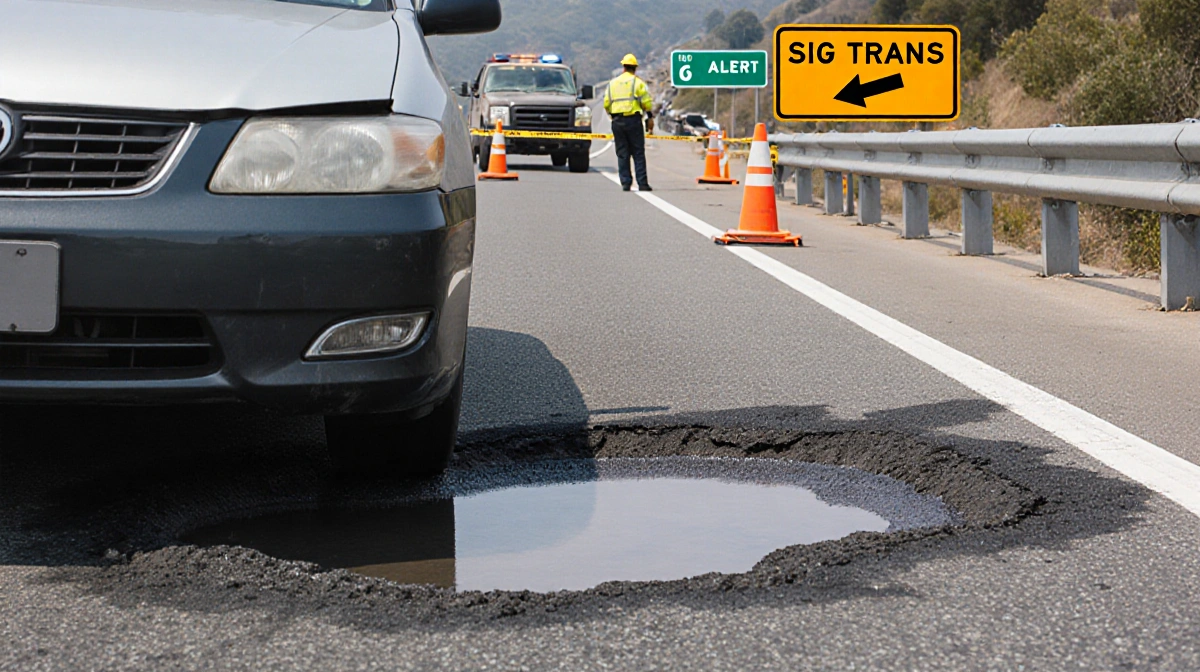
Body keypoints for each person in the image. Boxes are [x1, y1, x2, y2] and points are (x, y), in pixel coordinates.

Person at [603, 53, 654, 192]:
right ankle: (642, 183)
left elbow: (606, 103)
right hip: (634, 121)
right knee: (638, 153)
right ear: (635, 68)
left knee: (622, 153)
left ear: (624, 68)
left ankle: (626, 183)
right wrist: (649, 116)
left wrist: (612, 115)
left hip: (617, 121)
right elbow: (647, 103)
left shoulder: (613, 83)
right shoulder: (638, 83)